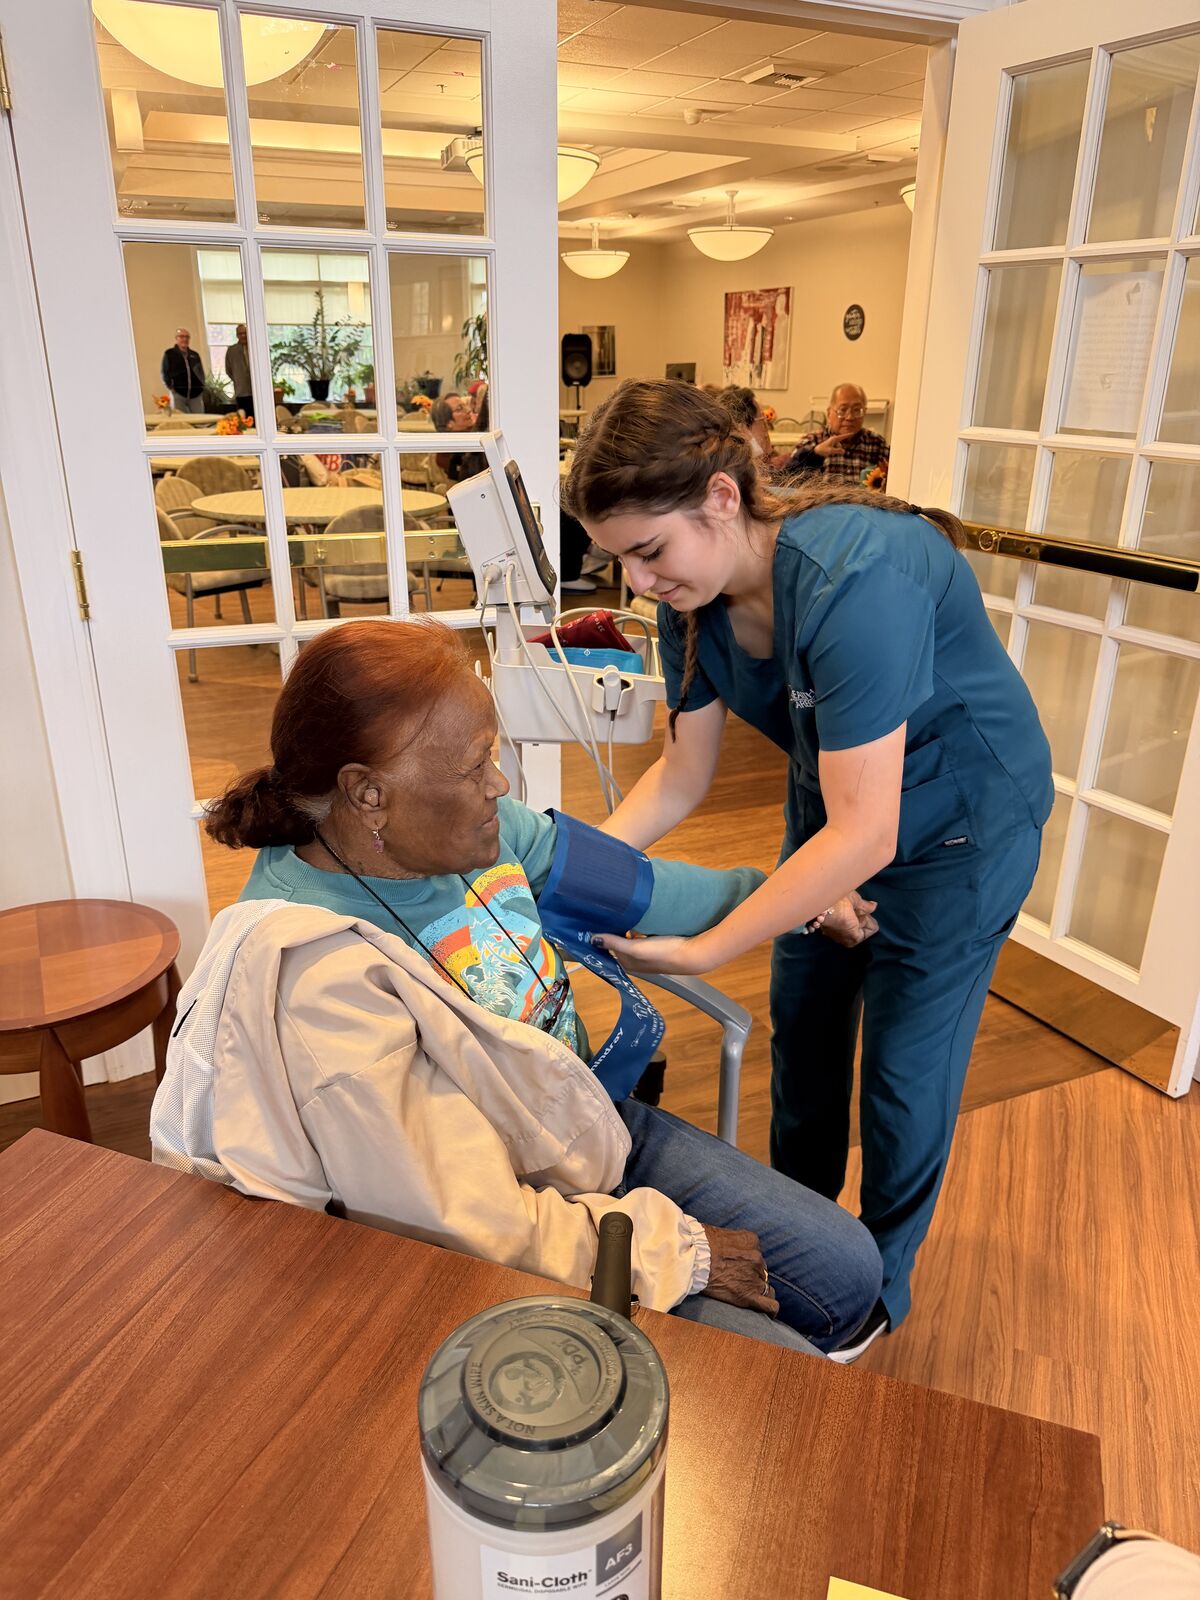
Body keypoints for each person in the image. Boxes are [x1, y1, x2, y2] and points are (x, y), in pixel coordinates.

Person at [152, 620, 881, 1355]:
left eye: (492, 756)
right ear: (367, 793)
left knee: (851, 1271)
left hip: (588, 1120)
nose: (499, 784)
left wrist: (800, 896)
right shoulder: (315, 969)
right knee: (780, 1362)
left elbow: (644, 889)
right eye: (474, 767)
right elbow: (466, 1215)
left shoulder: (488, 829)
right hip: (510, 1211)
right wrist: (679, 1251)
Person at [562, 379, 1052, 1360]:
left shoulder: (855, 578)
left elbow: (869, 835)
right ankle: (809, 1249)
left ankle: (874, 1300)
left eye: (647, 552)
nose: (639, 581)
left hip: (960, 823)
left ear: (720, 497)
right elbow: (682, 772)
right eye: (619, 561)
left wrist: (704, 949)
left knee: (904, 1077)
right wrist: (573, 868)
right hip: (840, 808)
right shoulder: (689, 598)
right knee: (806, 1037)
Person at [784, 383, 889, 489]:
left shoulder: (877, 443)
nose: (849, 417)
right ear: (829, 413)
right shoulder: (812, 440)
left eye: (857, 410)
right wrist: (816, 453)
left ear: (864, 412)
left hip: (864, 504)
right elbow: (786, 479)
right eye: (842, 410)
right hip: (823, 504)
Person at [160, 327, 206, 413]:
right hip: (178, 394)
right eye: (181, 336)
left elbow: (201, 372)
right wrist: (171, 387)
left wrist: (202, 385)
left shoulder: (194, 355)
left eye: (187, 337)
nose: (184, 339)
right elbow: (164, 373)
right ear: (176, 339)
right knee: (181, 420)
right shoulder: (169, 354)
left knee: (199, 420)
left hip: (195, 394)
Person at [224, 323, 253, 418]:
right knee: (243, 419)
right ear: (237, 335)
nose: (243, 336)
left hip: (256, 392)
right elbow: (228, 370)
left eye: (245, 333)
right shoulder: (232, 350)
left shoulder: (255, 348)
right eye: (240, 334)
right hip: (241, 391)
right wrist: (238, 378)